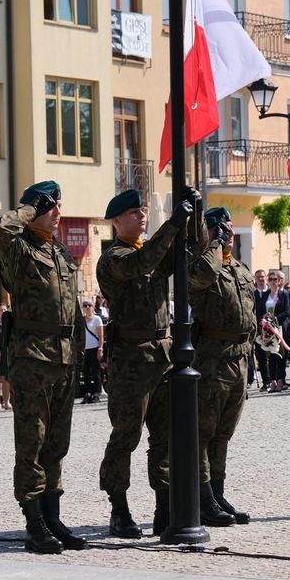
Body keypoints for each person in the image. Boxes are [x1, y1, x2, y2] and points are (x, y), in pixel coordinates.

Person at [0, 180, 86, 554]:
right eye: (51, 206)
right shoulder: (18, 249)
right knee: (32, 441)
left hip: (62, 357)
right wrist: (31, 208)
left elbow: (73, 311)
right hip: (32, 358)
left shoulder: (60, 253)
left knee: (57, 444)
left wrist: (80, 355)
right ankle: (34, 523)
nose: (58, 210)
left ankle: (52, 516)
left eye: (58, 203)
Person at [97, 187, 196, 538]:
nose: (142, 217)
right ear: (116, 221)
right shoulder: (114, 258)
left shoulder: (146, 251)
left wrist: (192, 217)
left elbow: (178, 257)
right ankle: (119, 508)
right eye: (135, 214)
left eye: (143, 212)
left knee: (164, 437)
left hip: (162, 357)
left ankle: (164, 507)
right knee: (126, 435)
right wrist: (171, 224)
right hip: (131, 361)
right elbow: (145, 262)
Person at [188, 206, 256, 527]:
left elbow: (252, 318)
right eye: (223, 228)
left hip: (240, 358)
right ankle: (202, 500)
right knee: (204, 433)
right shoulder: (202, 266)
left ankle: (217, 492)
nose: (229, 233)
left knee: (223, 434)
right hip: (213, 360)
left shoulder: (240, 269)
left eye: (230, 229)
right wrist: (215, 244)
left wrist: (251, 361)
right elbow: (200, 277)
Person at [263, 271, 290, 392]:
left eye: (275, 279)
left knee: (280, 355)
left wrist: (275, 318)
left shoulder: (284, 294)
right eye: (271, 279)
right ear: (268, 281)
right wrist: (264, 318)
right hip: (267, 328)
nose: (273, 282)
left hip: (280, 327)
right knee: (271, 355)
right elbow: (259, 309)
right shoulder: (265, 295)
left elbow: (287, 311)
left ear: (279, 281)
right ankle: (272, 381)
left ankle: (281, 380)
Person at [81, 299, 104, 403]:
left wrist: (100, 348)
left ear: (92, 307)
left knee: (96, 372)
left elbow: (100, 336)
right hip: (86, 349)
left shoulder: (97, 319)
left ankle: (97, 393)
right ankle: (87, 393)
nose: (87, 308)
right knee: (85, 372)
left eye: (89, 305)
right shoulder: (82, 320)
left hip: (95, 348)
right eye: (85, 306)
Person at [253, 269, 270, 391]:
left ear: (266, 278)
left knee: (273, 354)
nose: (260, 279)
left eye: (262, 276)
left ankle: (276, 380)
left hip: (270, 328)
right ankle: (266, 381)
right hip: (258, 329)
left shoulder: (271, 293)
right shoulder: (252, 294)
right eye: (258, 277)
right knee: (261, 356)